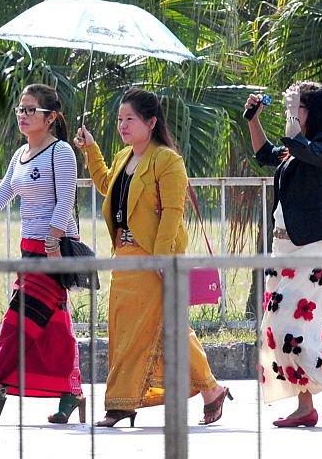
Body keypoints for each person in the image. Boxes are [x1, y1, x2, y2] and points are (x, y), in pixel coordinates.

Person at [74, 87, 231, 427]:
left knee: (156, 330)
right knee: (142, 330)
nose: (123, 126)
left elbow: (174, 212)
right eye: (119, 120)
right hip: (124, 260)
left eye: (129, 119)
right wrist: (91, 150)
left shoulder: (167, 160)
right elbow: (105, 184)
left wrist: (162, 258)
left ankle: (120, 405)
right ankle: (211, 390)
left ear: (151, 122)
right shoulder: (123, 158)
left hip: (154, 259)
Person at [0, 83, 85, 424]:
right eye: (20, 110)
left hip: (54, 249)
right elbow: (0, 196)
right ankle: (71, 392)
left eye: (30, 110)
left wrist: (53, 244)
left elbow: (65, 201)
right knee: (52, 324)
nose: (22, 116)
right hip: (29, 249)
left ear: (51, 117)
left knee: (16, 320)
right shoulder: (20, 155)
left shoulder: (62, 152)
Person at [245, 81, 322, 428]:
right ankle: (305, 405)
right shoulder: (296, 149)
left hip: (312, 246)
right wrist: (253, 120)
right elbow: (266, 154)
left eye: (299, 108)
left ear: (314, 112)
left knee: (292, 326)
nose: (294, 113)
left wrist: (292, 126)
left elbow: (306, 150)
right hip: (283, 248)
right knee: (277, 328)